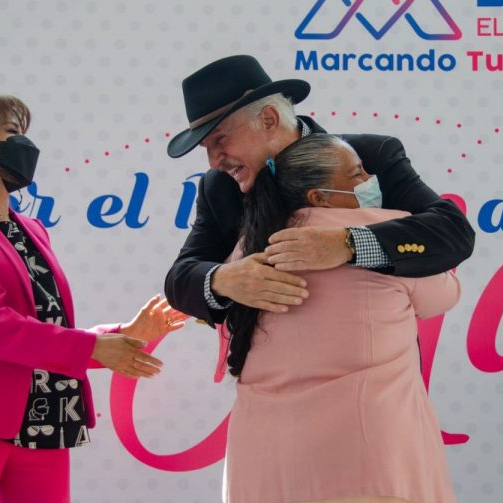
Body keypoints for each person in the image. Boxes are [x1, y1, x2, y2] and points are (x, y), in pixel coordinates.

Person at [0, 91, 187, 503]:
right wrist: (94, 348)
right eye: (11, 131)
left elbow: (43, 330)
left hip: (47, 417)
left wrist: (120, 335)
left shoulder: (31, 229)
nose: (24, 143)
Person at [222, 134, 460, 503]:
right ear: (320, 196)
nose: (370, 180)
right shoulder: (387, 230)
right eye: (356, 174)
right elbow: (443, 295)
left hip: (263, 467)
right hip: (371, 459)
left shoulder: (248, 249)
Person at [164, 55, 474, 325]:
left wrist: (348, 244)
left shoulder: (373, 155)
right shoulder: (218, 187)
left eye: (220, 140)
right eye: (206, 148)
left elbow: (453, 231)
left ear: (269, 119)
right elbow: (180, 278)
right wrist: (224, 279)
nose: (214, 161)